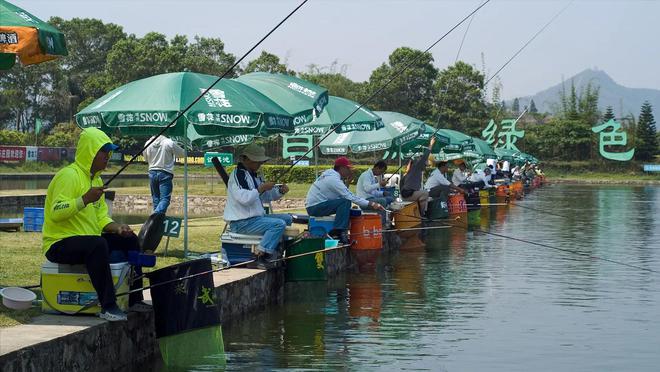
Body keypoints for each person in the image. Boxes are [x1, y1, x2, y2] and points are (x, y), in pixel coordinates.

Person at [42, 128, 148, 322]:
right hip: (59, 244)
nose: (108, 156)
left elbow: (101, 218)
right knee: (97, 244)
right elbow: (56, 212)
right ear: (90, 152)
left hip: (87, 241)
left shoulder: (96, 179)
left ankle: (134, 298)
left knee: (129, 239)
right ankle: (108, 306)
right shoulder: (68, 176)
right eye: (103, 152)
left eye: (109, 152)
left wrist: (117, 228)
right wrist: (84, 199)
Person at [224, 144, 292, 269]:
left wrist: (280, 191)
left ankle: (276, 251)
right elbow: (244, 199)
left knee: (287, 218)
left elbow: (264, 197)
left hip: (254, 219)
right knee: (278, 224)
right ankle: (261, 256)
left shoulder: (254, 175)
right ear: (247, 159)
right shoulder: (239, 174)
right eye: (258, 161)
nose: (260, 164)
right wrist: (261, 188)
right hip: (242, 222)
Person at [306, 157, 384, 244]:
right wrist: (372, 204)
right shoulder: (333, 180)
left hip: (315, 205)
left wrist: (348, 182)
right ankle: (339, 232)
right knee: (345, 202)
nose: (350, 171)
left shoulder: (332, 176)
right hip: (315, 207)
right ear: (342, 168)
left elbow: (342, 194)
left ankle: (342, 231)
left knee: (346, 204)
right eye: (348, 168)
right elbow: (349, 196)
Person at [143, 135, 185, 215]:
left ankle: (157, 221)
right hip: (165, 172)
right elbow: (182, 154)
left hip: (152, 172)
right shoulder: (169, 142)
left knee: (156, 198)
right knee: (165, 199)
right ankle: (156, 215)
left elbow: (146, 158)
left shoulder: (148, 143)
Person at [400, 136, 436, 215]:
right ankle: (421, 215)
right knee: (425, 193)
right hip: (408, 195)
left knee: (424, 195)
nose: (427, 165)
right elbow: (425, 156)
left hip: (405, 194)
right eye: (426, 163)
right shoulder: (417, 166)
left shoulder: (412, 171)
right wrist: (431, 144)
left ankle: (420, 213)